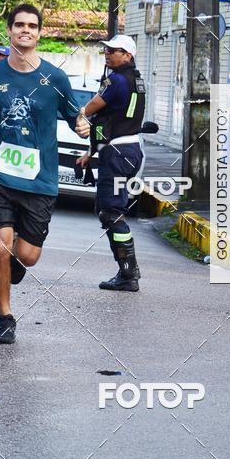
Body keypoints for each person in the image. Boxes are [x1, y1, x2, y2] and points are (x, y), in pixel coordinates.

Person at [0, 3, 89, 345]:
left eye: (31, 25)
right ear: (10, 30)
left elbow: (76, 115)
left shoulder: (55, 78)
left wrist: (84, 126)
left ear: (40, 33)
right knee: (0, 246)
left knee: (26, 256)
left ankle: (14, 266)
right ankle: (5, 317)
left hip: (40, 181)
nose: (25, 30)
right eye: (19, 25)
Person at [76, 34, 145, 292]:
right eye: (106, 49)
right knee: (109, 211)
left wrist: (79, 114)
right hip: (126, 150)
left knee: (111, 212)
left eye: (114, 50)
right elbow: (113, 120)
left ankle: (128, 274)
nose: (107, 53)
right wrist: (91, 152)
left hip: (118, 154)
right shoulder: (135, 79)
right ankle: (127, 272)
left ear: (127, 55)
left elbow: (92, 109)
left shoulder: (115, 80)